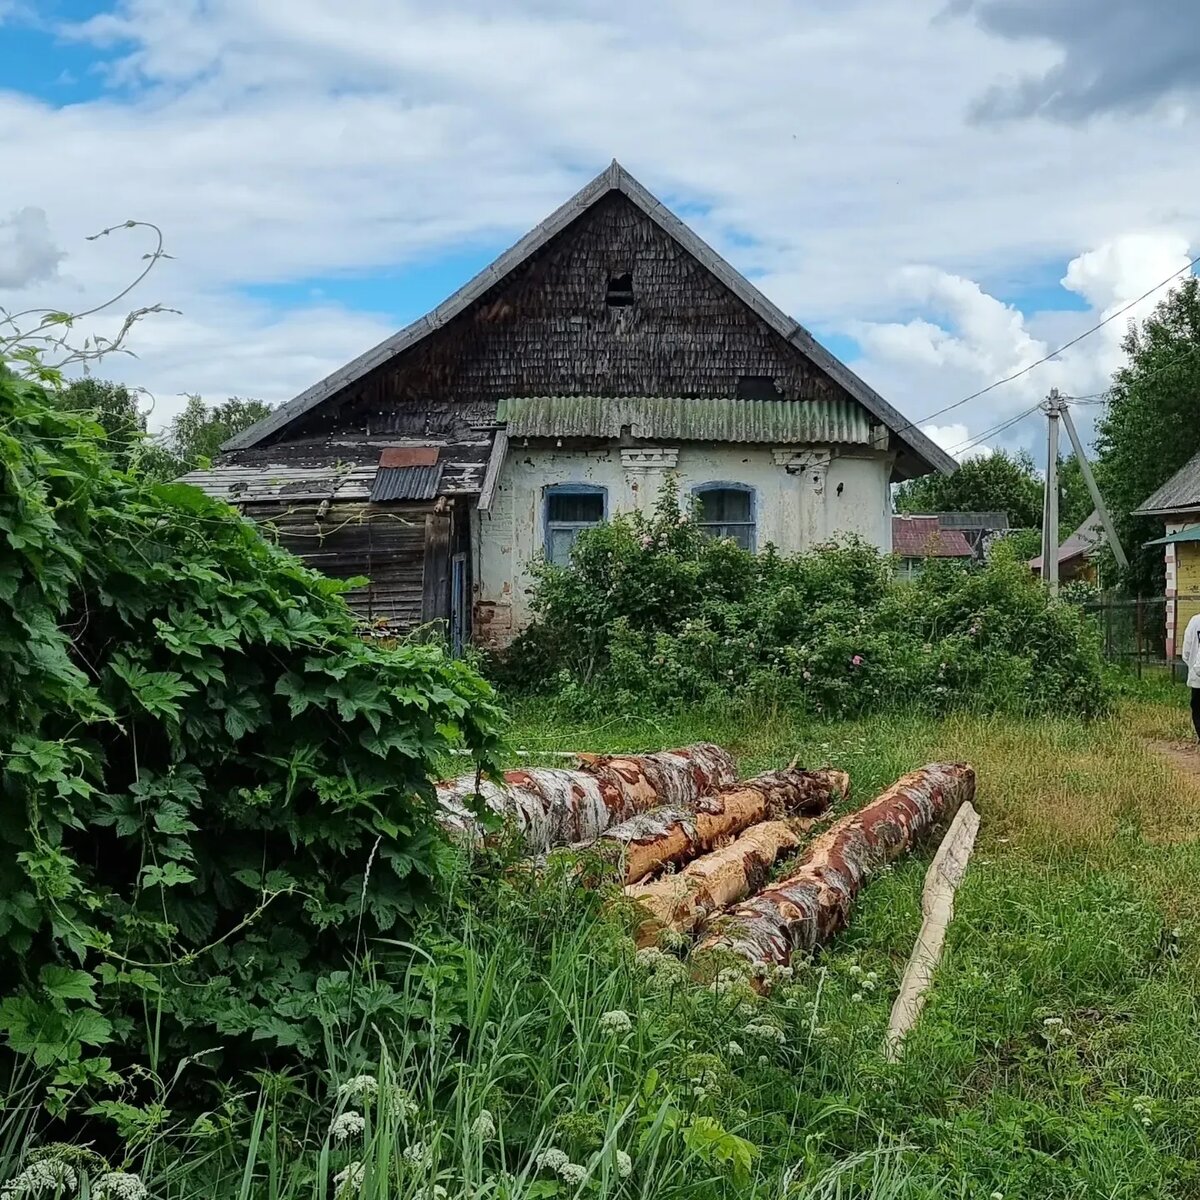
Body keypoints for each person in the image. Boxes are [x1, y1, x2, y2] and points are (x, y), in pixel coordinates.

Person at [1185, 610, 1200, 743]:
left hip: (1197, 678)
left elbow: (1186, 651)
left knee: (1197, 708)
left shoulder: (1194, 621)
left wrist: (1193, 666)